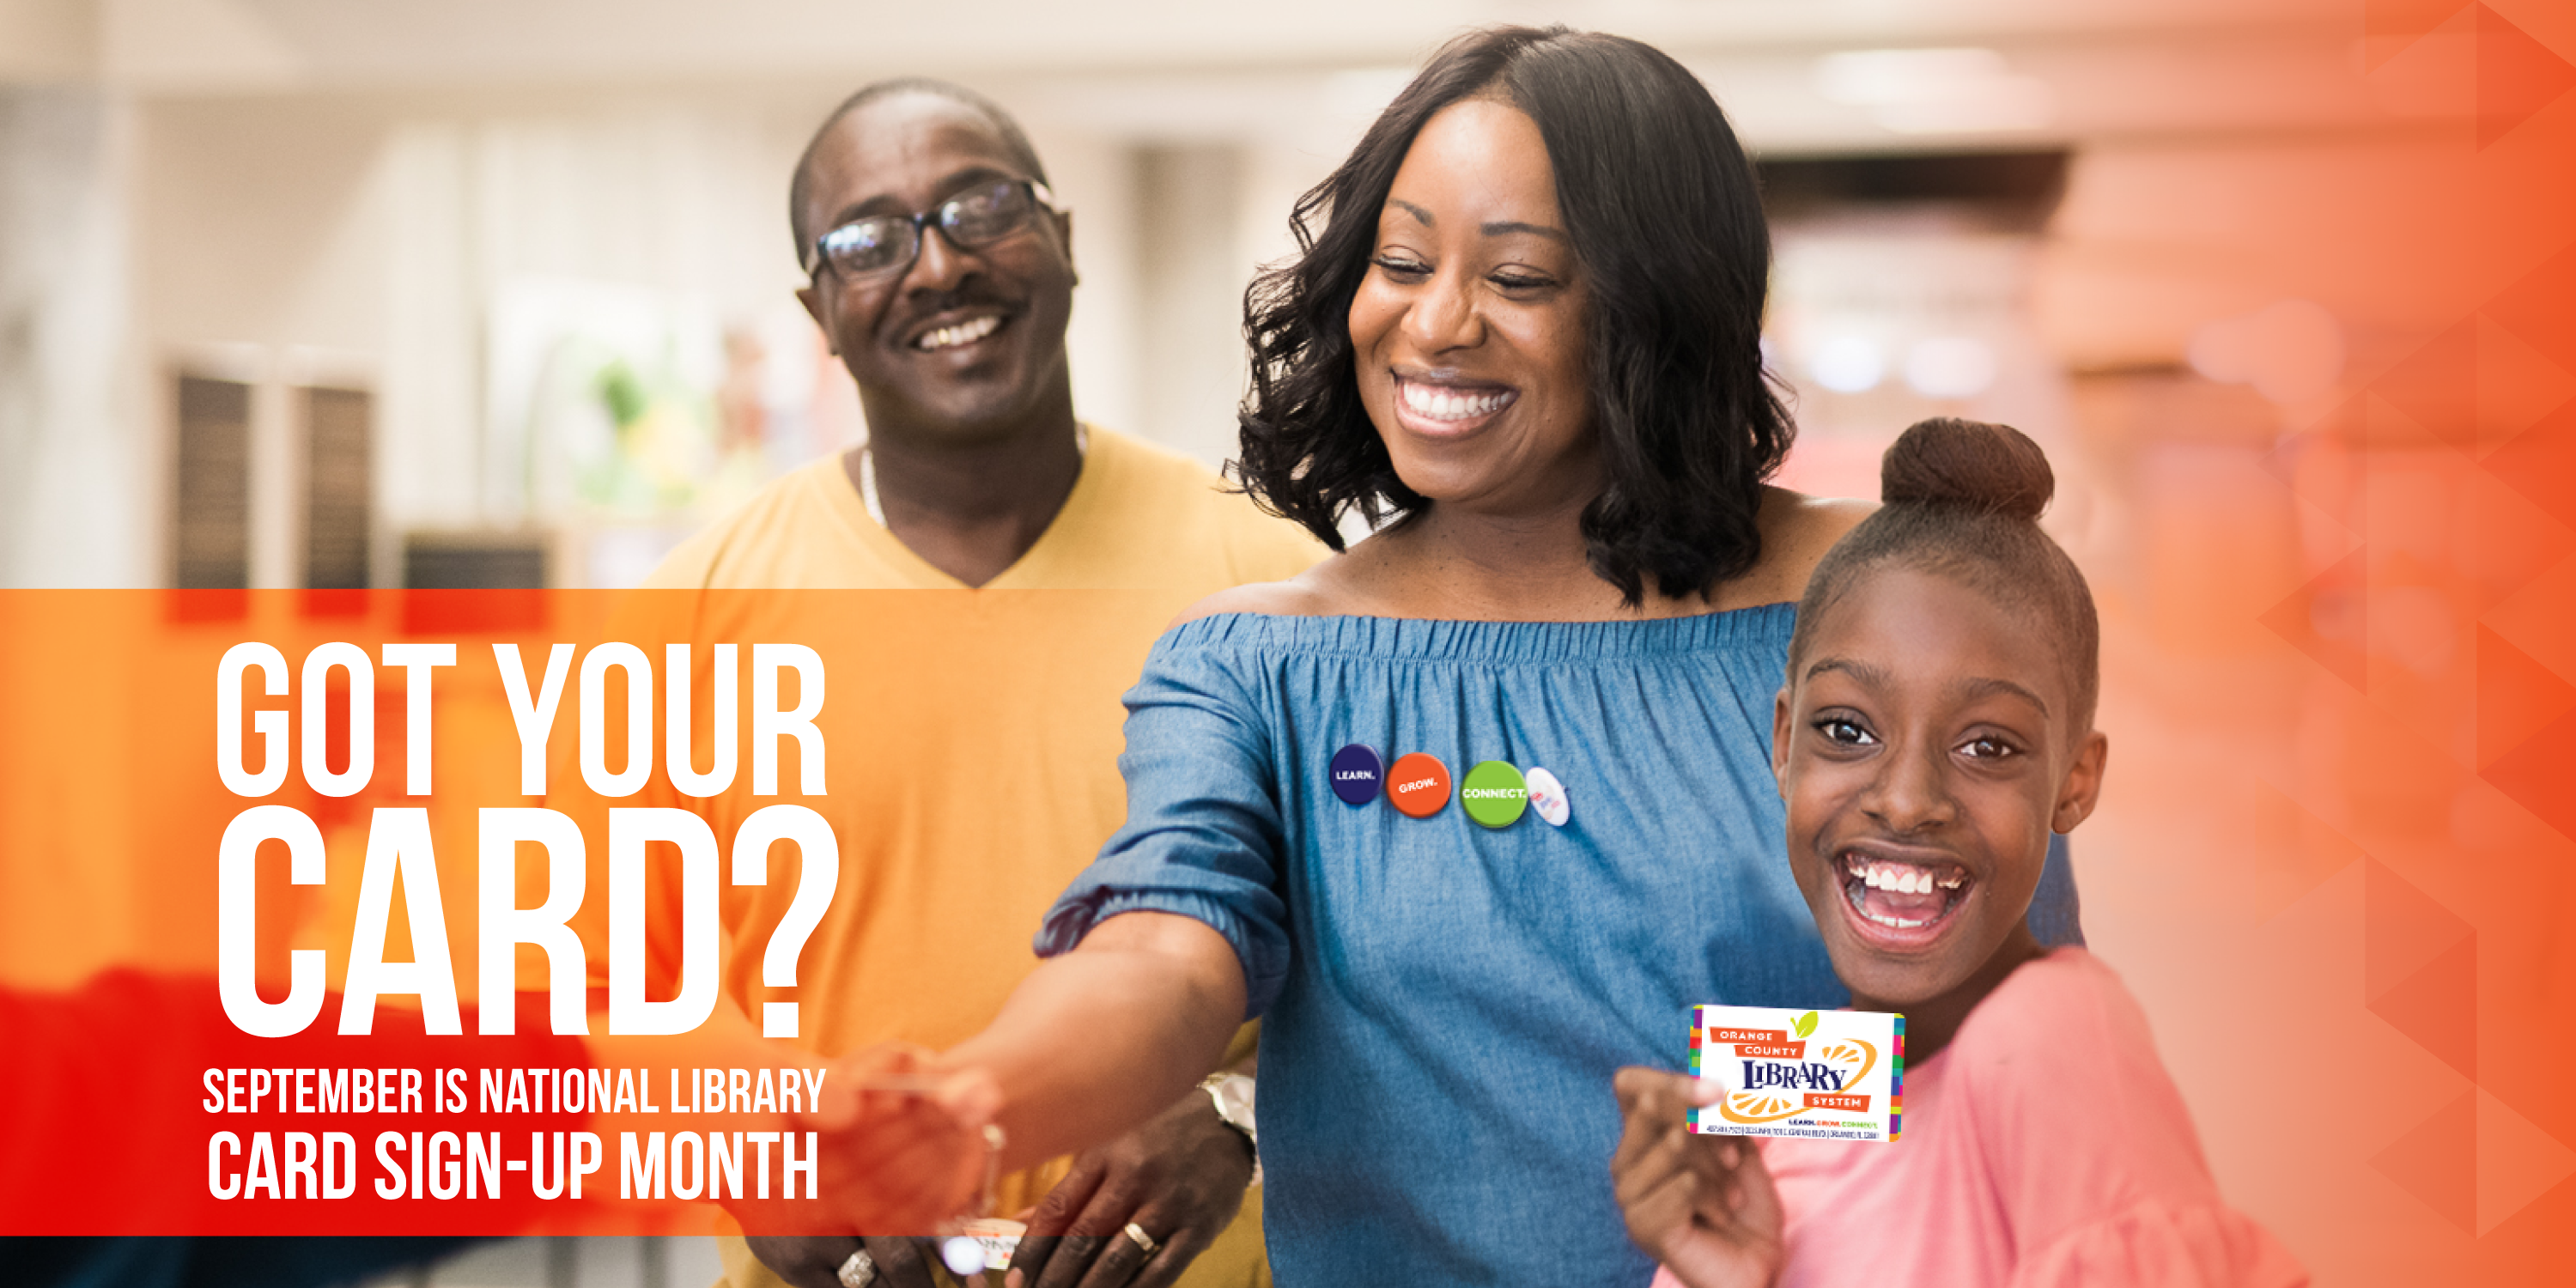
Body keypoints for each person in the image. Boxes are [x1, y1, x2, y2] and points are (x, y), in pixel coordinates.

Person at [883, 27, 2081, 1288]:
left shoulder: (1888, 612)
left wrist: (1740, 1096)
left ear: (1652, 308)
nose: (1435, 324)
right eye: (1401, 262)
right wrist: (973, 1099)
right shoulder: (1260, 667)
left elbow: (2021, 1044)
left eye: (1519, 279)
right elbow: (1161, 959)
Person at [604, 78, 1323, 1288]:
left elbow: (1381, 964)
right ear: (818, 310)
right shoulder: (688, 617)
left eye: (979, 206)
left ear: (1065, 243)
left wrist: (1236, 1111)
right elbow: (611, 981)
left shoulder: (1278, 581)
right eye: (868, 241)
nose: (937, 267)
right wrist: (745, 1147)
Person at [1611, 419, 2304, 1288]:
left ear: (2075, 782)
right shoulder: (1780, 1132)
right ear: (1784, 742)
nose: (1905, 800)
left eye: (1988, 747)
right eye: (1846, 729)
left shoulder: (2047, 1034)